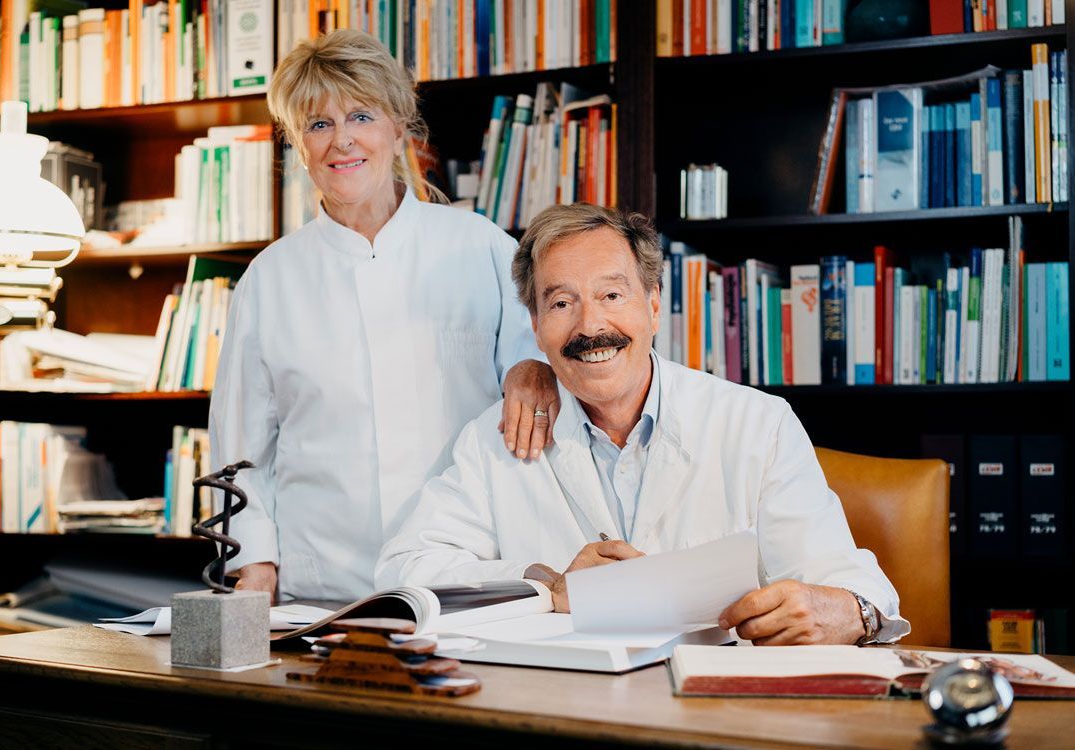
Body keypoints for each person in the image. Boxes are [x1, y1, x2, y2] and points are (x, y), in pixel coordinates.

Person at [376, 203, 910, 645]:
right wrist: (548, 584)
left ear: (654, 306)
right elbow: (405, 570)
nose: (591, 325)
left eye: (612, 295)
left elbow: (849, 584)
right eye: (562, 302)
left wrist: (845, 612)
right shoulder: (497, 436)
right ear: (537, 329)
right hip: (561, 713)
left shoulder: (757, 425)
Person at [209, 30, 558, 603]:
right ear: (299, 145)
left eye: (360, 116)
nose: (341, 141)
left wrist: (531, 368)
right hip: (323, 588)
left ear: (398, 128)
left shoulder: (483, 247)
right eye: (318, 125)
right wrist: (256, 566)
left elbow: (545, 375)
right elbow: (241, 449)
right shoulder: (268, 282)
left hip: (467, 575)